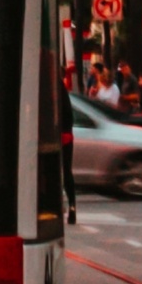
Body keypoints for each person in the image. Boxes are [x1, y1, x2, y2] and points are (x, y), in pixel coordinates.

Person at [59, 72, 76, 225]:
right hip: (66, 135)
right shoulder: (62, 89)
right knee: (66, 171)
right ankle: (72, 206)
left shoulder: (52, 87)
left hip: (57, 134)